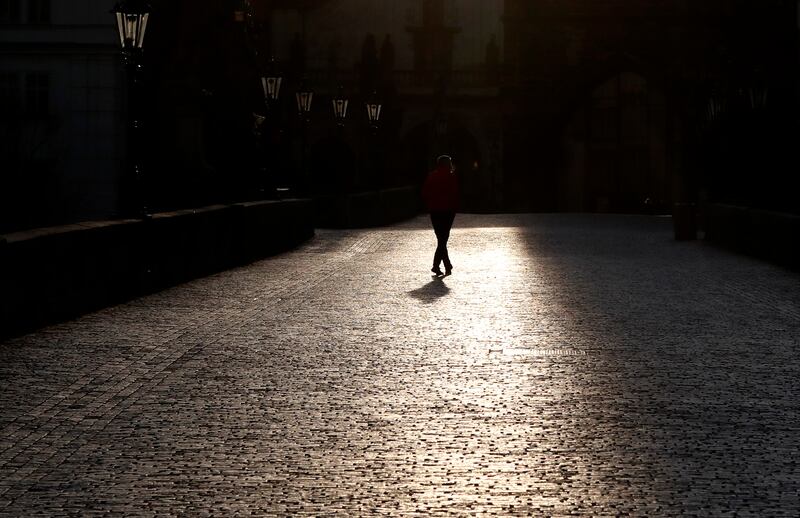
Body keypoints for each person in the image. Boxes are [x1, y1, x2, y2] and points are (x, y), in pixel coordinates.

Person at [422, 155, 459, 276]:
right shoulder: (451, 177)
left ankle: (439, 266)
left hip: (435, 211)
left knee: (441, 239)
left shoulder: (432, 176)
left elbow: (425, 192)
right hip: (448, 211)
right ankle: (444, 265)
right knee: (443, 239)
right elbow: (455, 194)